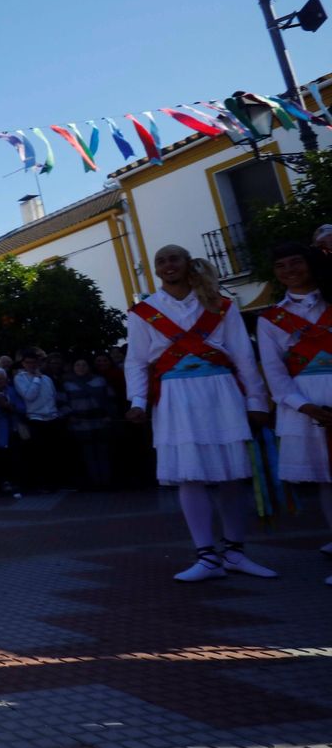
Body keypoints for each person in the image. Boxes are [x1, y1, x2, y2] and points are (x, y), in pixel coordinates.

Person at [125, 244, 273, 583]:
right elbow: (136, 360)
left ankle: (235, 552)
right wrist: (137, 401)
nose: (167, 265)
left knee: (233, 475)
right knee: (190, 475)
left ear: (188, 263)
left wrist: (257, 402)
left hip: (221, 391)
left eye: (173, 258)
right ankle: (206, 556)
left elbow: (243, 356)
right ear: (156, 269)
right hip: (176, 396)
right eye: (160, 260)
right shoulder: (143, 312)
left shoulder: (220, 305)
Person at [255, 241, 332, 586]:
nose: (290, 270)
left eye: (296, 262)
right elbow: (275, 375)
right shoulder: (271, 319)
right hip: (306, 405)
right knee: (328, 482)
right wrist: (306, 406)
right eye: (281, 266)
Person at [13, 347, 64, 492]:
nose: (31, 365)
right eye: (28, 363)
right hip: (35, 418)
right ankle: (40, 483)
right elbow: (29, 396)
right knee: (38, 454)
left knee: (52, 453)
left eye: (34, 363)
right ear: (23, 364)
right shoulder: (20, 378)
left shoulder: (47, 379)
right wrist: (36, 378)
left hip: (52, 418)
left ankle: (54, 482)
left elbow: (52, 397)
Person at [60, 359, 114, 490]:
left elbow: (111, 399)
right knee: (86, 454)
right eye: (77, 364)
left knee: (103, 453)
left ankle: (106, 482)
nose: (81, 367)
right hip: (80, 424)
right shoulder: (66, 384)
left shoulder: (100, 380)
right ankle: (93, 482)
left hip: (100, 422)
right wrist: (70, 416)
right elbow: (61, 402)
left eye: (84, 364)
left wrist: (109, 415)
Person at [0, 368, 25, 498]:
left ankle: (15, 482)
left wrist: (9, 406)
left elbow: (22, 407)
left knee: (15, 457)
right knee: (0, 458)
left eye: (0, 378)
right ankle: (2, 483)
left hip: (13, 429)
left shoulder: (12, 390)